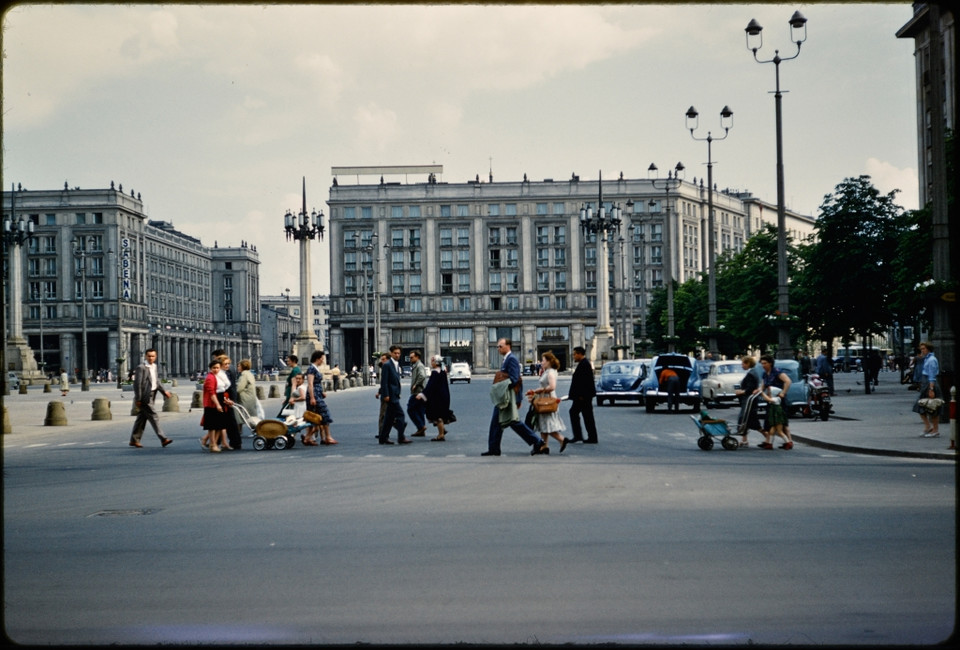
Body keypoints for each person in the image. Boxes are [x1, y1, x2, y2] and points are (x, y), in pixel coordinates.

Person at [483, 338, 548, 456]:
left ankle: (538, 441)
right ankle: (494, 448)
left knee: (511, 422)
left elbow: (515, 379)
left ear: (508, 346)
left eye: (500, 346)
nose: (498, 348)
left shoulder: (511, 359)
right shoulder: (507, 359)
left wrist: (503, 388)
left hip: (507, 398)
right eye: (497, 346)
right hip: (505, 397)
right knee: (499, 422)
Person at [129, 348, 173, 448]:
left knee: (142, 418)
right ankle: (163, 438)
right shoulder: (141, 367)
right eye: (149, 356)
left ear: (156, 357)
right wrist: (138, 399)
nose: (151, 358)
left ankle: (134, 440)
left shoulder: (154, 366)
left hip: (153, 394)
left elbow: (156, 381)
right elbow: (138, 384)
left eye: (153, 356)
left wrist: (164, 391)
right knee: (154, 415)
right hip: (145, 396)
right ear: (145, 356)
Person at [526, 351, 568, 453]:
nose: (541, 362)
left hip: (547, 401)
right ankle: (544, 446)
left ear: (549, 361)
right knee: (543, 423)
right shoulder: (547, 371)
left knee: (548, 424)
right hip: (544, 398)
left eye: (543, 360)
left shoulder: (550, 372)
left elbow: (552, 386)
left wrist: (538, 391)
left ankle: (561, 439)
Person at [758, 354, 793, 450]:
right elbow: (763, 385)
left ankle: (789, 441)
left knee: (782, 422)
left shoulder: (777, 372)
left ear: (770, 363)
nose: (763, 365)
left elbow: (788, 381)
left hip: (778, 400)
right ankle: (768, 442)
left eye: (765, 363)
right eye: (762, 363)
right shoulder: (765, 374)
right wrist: (758, 391)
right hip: (770, 401)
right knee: (770, 422)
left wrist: (783, 393)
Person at [378, 345, 410, 445]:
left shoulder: (396, 364)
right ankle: (401, 437)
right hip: (390, 396)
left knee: (389, 418)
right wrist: (386, 395)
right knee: (401, 415)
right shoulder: (387, 365)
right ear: (391, 353)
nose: (397, 355)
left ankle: (383, 438)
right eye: (395, 353)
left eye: (398, 353)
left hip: (395, 394)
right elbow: (384, 382)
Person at [417, 354, 452, 441]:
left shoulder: (435, 372)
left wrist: (422, 394)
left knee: (437, 415)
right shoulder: (443, 371)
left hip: (437, 397)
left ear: (436, 363)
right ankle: (442, 430)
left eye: (432, 361)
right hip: (444, 396)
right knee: (440, 414)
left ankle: (441, 435)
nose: (431, 363)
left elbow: (430, 386)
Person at [567, 345, 598, 444]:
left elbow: (585, 382)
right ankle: (588, 436)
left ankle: (581, 436)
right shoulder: (583, 363)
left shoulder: (584, 364)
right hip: (583, 396)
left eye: (574, 354)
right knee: (586, 415)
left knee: (579, 414)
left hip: (583, 397)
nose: (573, 356)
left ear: (580, 354)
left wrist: (581, 395)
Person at [305, 350, 336, 445]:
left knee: (314, 417)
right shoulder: (311, 369)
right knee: (324, 413)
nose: (323, 360)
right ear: (318, 359)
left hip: (318, 393)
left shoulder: (315, 368)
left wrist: (321, 392)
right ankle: (328, 437)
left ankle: (308, 438)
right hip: (314, 394)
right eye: (322, 358)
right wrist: (312, 397)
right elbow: (310, 383)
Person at [913, 341, 941, 438]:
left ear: (928, 349)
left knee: (932, 408)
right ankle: (929, 426)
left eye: (923, 349)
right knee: (921, 406)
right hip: (926, 384)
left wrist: (931, 388)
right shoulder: (927, 359)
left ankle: (934, 429)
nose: (922, 351)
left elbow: (932, 375)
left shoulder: (931, 360)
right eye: (921, 349)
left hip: (929, 384)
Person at [200, 359, 227, 453]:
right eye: (214, 368)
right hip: (211, 405)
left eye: (218, 368)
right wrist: (218, 404)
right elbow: (212, 393)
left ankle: (213, 443)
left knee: (218, 425)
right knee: (212, 426)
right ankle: (212, 444)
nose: (216, 369)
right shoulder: (210, 378)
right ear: (210, 368)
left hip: (215, 403)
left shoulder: (215, 376)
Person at [735, 356, 762, 446]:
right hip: (749, 400)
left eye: (743, 364)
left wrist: (741, 392)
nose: (742, 366)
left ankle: (767, 436)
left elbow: (750, 388)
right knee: (746, 419)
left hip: (749, 401)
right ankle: (744, 440)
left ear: (748, 364)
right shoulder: (753, 372)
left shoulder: (751, 374)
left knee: (749, 419)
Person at [215, 354, 241, 450]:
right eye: (226, 364)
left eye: (228, 364)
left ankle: (232, 442)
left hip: (225, 397)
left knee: (227, 420)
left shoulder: (225, 373)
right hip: (226, 397)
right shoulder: (225, 371)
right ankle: (223, 442)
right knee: (225, 420)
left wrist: (228, 399)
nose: (228, 365)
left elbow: (226, 387)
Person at [234, 358, 261, 435]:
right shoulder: (250, 374)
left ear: (243, 366)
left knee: (239, 415)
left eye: (239, 366)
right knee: (250, 415)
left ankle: (238, 431)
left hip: (244, 398)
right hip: (251, 398)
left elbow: (239, 388)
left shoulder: (244, 375)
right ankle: (257, 430)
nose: (238, 367)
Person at [406, 350, 428, 437]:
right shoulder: (416, 365)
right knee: (420, 411)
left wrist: (416, 384)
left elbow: (422, 376)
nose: (410, 359)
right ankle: (421, 430)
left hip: (418, 392)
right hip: (421, 392)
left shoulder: (419, 366)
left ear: (417, 357)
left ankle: (421, 426)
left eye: (412, 357)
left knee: (410, 409)